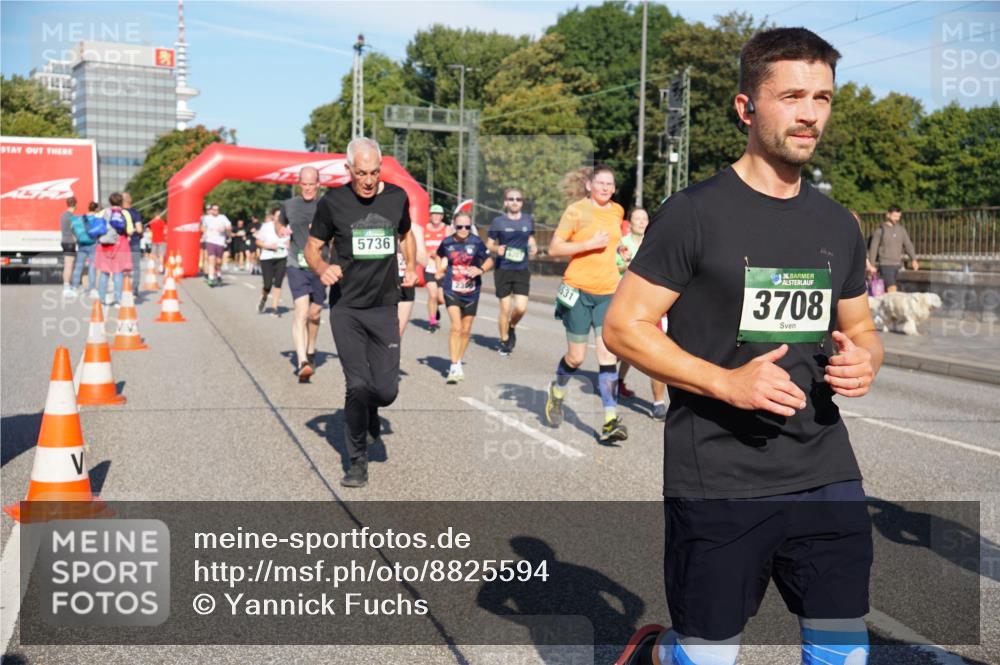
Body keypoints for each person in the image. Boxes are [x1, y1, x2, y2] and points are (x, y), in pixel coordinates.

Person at [605, 28, 882, 665]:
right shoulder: (694, 213)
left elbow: (863, 330)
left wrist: (866, 360)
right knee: (707, 656)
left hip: (823, 467)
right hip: (718, 473)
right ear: (746, 107)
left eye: (822, 98)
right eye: (791, 96)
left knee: (844, 653)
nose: (810, 114)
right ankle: (656, 654)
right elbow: (623, 327)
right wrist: (727, 383)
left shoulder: (838, 224)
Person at [306, 137, 416, 488]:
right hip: (347, 308)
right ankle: (356, 461)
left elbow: (406, 234)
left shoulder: (397, 197)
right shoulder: (333, 203)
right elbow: (312, 248)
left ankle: (372, 410)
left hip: (384, 305)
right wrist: (322, 268)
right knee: (357, 384)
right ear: (348, 170)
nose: (368, 180)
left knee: (385, 392)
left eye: (374, 172)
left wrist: (412, 266)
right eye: (361, 173)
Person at [544, 164, 628, 444]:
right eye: (600, 183)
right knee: (576, 358)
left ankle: (610, 420)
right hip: (577, 290)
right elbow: (555, 248)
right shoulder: (576, 211)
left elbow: (614, 246)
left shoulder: (617, 211)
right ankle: (557, 391)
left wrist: (621, 254)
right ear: (590, 185)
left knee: (607, 356)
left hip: (609, 292)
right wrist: (588, 244)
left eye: (610, 184)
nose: (605, 188)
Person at [614, 207, 667, 420]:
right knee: (624, 351)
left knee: (658, 353)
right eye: (637, 218)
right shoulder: (623, 243)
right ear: (630, 222)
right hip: (628, 303)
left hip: (654, 304)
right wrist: (630, 265)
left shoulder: (655, 241)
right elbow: (616, 269)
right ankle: (611, 377)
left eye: (645, 218)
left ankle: (658, 402)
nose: (642, 222)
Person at [436, 212, 493, 383]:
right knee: (456, 327)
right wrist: (440, 269)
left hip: (471, 290)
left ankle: (458, 361)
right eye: (459, 226)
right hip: (451, 289)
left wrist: (480, 270)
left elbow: (489, 260)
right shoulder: (447, 242)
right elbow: (438, 255)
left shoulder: (476, 242)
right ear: (454, 226)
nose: (463, 230)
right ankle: (454, 366)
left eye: (467, 227)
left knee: (466, 329)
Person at [282, 167, 325, 383]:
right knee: (301, 311)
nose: (308, 188)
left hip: (319, 265)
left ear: (318, 184)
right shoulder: (290, 205)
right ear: (300, 184)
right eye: (304, 184)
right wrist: (280, 229)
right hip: (296, 263)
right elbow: (279, 221)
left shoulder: (326, 205)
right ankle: (302, 362)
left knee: (314, 313)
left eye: (311, 184)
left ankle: (311, 349)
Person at [487, 187, 537, 356]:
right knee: (505, 308)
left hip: (522, 269)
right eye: (511, 199)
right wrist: (496, 249)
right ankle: (504, 340)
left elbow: (530, 238)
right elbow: (489, 244)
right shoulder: (498, 222)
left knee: (521, 308)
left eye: (518, 199)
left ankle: (512, 325)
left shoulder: (528, 220)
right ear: (505, 202)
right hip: (503, 269)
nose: (515, 202)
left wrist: (533, 247)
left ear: (522, 203)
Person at [95, 192, 135, 307]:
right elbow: (129, 231)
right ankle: (118, 301)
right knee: (118, 272)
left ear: (110, 201)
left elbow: (96, 226)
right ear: (121, 201)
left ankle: (101, 300)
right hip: (120, 244)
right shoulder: (125, 213)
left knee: (104, 272)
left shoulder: (103, 212)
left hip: (105, 245)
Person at [867, 204, 918, 293]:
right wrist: (871, 265)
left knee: (895, 291)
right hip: (886, 265)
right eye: (895, 216)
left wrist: (913, 259)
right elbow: (873, 249)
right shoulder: (880, 231)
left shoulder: (901, 230)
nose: (897, 219)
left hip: (898, 264)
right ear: (888, 215)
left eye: (899, 216)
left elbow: (908, 245)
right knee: (892, 289)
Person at [256, 207, 289, 316]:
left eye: (281, 215)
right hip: (267, 257)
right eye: (277, 215)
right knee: (267, 285)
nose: (279, 217)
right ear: (273, 216)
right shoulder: (266, 226)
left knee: (278, 283)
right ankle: (264, 298)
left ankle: (275, 308)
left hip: (282, 257)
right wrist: (268, 246)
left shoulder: (287, 226)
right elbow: (258, 241)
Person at [397, 222, 428, 337]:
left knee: (396, 337)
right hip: (381, 281)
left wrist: (407, 243)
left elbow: (424, 261)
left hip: (405, 282)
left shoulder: (415, 228)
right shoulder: (375, 223)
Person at [422, 204, 449, 331]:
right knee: (432, 295)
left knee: (441, 299)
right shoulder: (424, 230)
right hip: (429, 267)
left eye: (439, 214)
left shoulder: (447, 229)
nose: (436, 217)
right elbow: (420, 248)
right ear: (430, 216)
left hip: (442, 267)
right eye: (434, 214)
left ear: (442, 216)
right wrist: (427, 254)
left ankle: (435, 307)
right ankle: (432, 321)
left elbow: (450, 247)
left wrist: (439, 253)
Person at [70, 201, 98, 294]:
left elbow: (72, 228)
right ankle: (92, 288)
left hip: (81, 244)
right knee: (92, 267)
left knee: (79, 266)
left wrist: (76, 237)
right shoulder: (96, 218)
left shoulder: (81, 217)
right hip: (93, 244)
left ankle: (74, 287)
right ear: (96, 209)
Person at [201, 203, 231, 286]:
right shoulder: (206, 218)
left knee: (218, 261)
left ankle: (218, 274)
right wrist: (205, 232)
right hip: (210, 241)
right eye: (214, 209)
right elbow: (202, 227)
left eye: (217, 210)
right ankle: (211, 278)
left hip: (220, 241)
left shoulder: (223, 217)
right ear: (211, 210)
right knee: (211, 259)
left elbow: (229, 227)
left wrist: (225, 229)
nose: (216, 211)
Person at [122, 192, 144, 297]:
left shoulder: (119, 213)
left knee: (122, 266)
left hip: (122, 243)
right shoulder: (135, 213)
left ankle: (123, 287)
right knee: (136, 266)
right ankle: (134, 289)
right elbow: (139, 230)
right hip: (134, 242)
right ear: (130, 200)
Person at [60, 197, 77, 296]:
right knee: (69, 265)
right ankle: (66, 288)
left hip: (64, 241)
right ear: (75, 204)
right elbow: (74, 230)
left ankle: (66, 286)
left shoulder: (63, 215)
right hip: (70, 242)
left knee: (67, 264)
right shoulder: (72, 217)